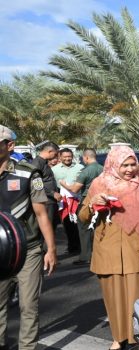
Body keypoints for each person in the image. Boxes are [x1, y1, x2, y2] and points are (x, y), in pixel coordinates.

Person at [78, 146, 139, 349]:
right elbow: (83, 217)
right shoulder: (99, 184)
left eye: (133, 164)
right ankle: (118, 336)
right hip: (108, 249)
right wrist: (92, 205)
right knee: (114, 296)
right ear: (114, 164)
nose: (130, 169)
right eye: (125, 165)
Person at [0, 125, 58, 350]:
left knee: (28, 306)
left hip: (28, 250)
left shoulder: (28, 173)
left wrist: (51, 249)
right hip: (0, 253)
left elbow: (42, 213)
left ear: (9, 146)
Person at [60, 148, 103, 265]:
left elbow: (75, 189)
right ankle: (98, 254)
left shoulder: (86, 171)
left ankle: (85, 256)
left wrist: (64, 184)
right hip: (101, 201)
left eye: (83, 158)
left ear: (86, 157)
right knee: (98, 227)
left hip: (87, 201)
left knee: (84, 228)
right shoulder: (102, 169)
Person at [52, 148, 84, 258]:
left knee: (78, 224)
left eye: (69, 156)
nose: (67, 158)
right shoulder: (54, 170)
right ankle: (72, 246)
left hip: (77, 200)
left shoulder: (80, 168)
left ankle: (81, 247)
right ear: (60, 157)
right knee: (67, 224)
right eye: (65, 157)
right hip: (63, 202)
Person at [31, 141, 60, 245]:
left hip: (50, 201)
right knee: (47, 228)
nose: (55, 157)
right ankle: (45, 255)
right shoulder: (37, 163)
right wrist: (52, 193)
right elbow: (37, 184)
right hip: (45, 201)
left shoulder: (43, 163)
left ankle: (48, 255)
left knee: (52, 226)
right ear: (49, 151)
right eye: (55, 154)